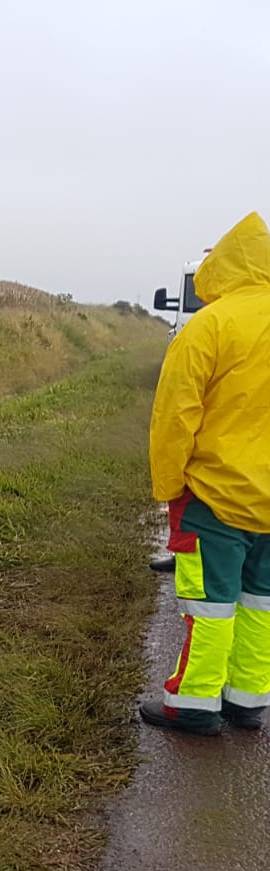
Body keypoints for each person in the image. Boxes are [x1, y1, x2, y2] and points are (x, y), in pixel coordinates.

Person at [143, 211, 270, 736]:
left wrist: (169, 486)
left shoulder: (209, 326)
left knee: (210, 605)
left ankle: (194, 705)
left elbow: (175, 416)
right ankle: (248, 701)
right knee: (260, 604)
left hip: (215, 495)